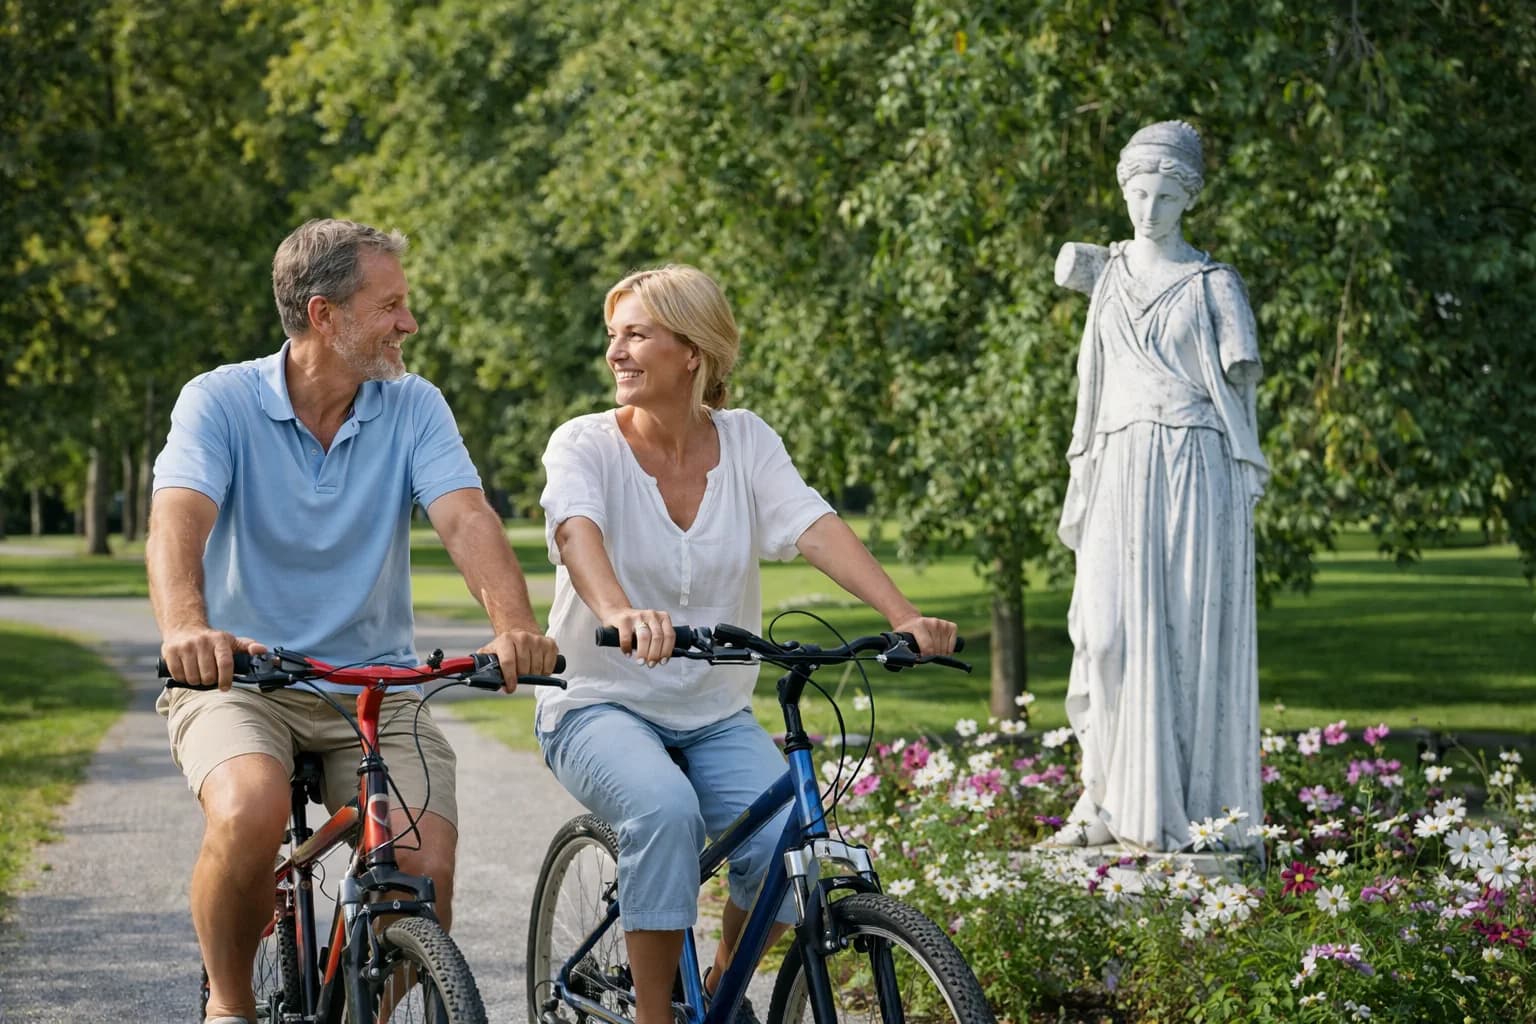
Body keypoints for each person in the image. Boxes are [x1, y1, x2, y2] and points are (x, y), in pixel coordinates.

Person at [147, 217, 559, 1024]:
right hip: (242, 676)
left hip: (375, 681)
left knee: (422, 868)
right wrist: (188, 627)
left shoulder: (413, 404)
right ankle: (229, 1006)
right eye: (390, 304)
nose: (409, 323)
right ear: (323, 314)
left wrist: (515, 623)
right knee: (249, 810)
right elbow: (177, 519)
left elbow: (467, 517)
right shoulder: (219, 400)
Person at [536, 264, 958, 1024]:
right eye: (614, 336)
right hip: (598, 699)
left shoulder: (748, 440)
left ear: (692, 351)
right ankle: (655, 1016)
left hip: (712, 708)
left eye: (637, 334)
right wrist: (620, 609)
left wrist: (904, 614)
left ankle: (725, 992)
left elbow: (811, 523)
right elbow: (575, 530)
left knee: (785, 844)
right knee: (663, 811)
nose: (616, 353)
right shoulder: (586, 443)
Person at [1052, 121, 1269, 852]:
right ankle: (1102, 798)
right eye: (1138, 193)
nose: (1147, 209)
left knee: (1184, 645)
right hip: (1117, 463)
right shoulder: (1101, 269)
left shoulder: (1215, 286)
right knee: (1104, 635)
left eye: (1165, 196)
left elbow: (1240, 395)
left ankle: (1198, 811)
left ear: (1188, 199)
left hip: (1191, 470)